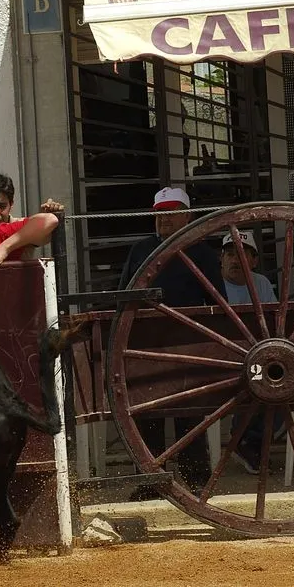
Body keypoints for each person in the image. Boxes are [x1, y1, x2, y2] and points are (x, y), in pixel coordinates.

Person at [119, 187, 226, 499]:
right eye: (160, 213)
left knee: (190, 413)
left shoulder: (202, 252)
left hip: (188, 341)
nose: (164, 219)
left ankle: (196, 481)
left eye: (172, 212)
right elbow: (125, 293)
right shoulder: (141, 250)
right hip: (147, 342)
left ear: (187, 216)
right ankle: (152, 482)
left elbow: (218, 301)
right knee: (145, 412)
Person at [219, 230, 283, 475]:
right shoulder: (212, 283)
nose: (235, 260)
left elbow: (273, 323)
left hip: (257, 355)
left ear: (254, 260)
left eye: (242, 254)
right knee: (256, 381)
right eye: (230, 254)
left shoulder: (261, 283)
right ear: (221, 258)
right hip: (222, 358)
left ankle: (248, 442)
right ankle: (246, 441)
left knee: (283, 384)